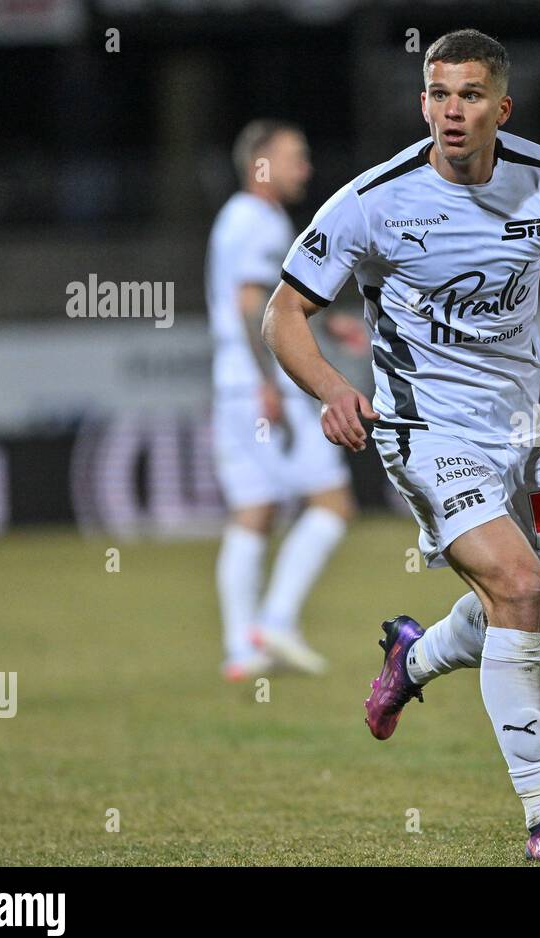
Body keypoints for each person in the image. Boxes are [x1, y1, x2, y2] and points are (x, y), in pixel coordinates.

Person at [262, 30, 540, 862]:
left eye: (471, 95)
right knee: (518, 586)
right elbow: (282, 314)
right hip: (424, 431)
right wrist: (336, 390)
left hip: (524, 428)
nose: (453, 111)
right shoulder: (375, 201)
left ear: (502, 107)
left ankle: (413, 661)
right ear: (423, 102)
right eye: (439, 94)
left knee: (529, 617)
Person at [206, 120, 357, 682]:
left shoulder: (233, 219)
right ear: (261, 162)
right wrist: (268, 380)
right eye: (296, 156)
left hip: (231, 387)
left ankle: (242, 650)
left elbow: (262, 299)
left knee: (253, 512)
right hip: (259, 385)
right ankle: (277, 618)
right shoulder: (262, 221)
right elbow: (252, 306)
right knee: (333, 504)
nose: (306, 168)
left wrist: (333, 321)